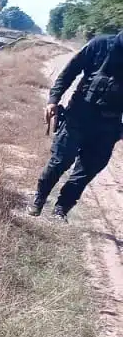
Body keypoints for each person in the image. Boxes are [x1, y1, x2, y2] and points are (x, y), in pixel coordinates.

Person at [33, 31, 123, 220]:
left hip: (108, 126)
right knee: (60, 161)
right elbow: (70, 71)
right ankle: (38, 200)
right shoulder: (100, 45)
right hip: (78, 116)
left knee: (86, 171)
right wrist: (53, 100)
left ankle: (61, 208)